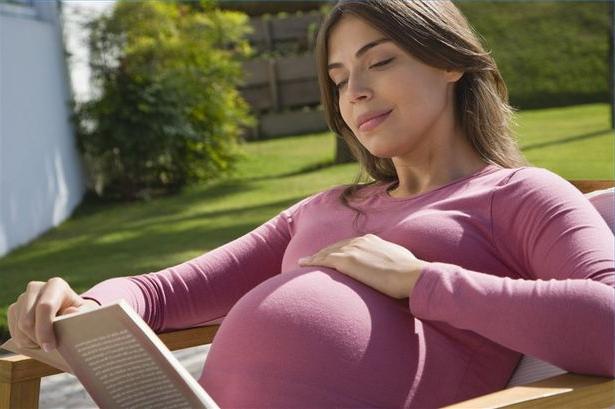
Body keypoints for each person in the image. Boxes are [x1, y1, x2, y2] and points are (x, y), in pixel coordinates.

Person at [6, 0, 614, 407]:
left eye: (379, 61)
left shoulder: (518, 194)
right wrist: (79, 305)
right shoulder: (324, 209)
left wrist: (420, 281)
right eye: (339, 76)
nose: (357, 92)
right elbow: (160, 294)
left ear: (450, 60)